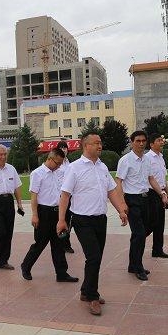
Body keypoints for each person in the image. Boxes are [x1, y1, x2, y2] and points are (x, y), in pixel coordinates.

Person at [57, 133, 128, 316]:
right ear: (85, 146)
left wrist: (121, 209)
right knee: (94, 257)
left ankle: (85, 291)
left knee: (96, 257)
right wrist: (61, 220)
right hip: (82, 220)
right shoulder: (74, 168)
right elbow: (65, 195)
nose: (100, 146)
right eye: (96, 143)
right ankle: (92, 296)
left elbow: (111, 191)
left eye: (100, 143)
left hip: (100, 219)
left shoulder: (103, 167)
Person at [116, 131, 168, 281]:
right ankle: (138, 267)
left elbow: (151, 179)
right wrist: (122, 203)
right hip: (132, 201)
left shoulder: (147, 160)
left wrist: (162, 193)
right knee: (139, 234)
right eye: (138, 141)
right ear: (132, 142)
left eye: (143, 140)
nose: (141, 143)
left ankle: (133, 264)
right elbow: (118, 181)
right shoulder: (125, 160)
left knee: (140, 233)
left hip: (146, 200)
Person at [21, 148, 79, 283]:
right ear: (49, 158)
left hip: (58, 212)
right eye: (57, 163)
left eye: (61, 163)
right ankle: (26, 266)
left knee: (59, 243)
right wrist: (35, 215)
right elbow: (34, 196)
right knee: (40, 243)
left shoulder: (61, 172)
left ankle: (62, 273)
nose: (59, 165)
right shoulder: (37, 173)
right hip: (43, 213)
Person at [145, 133, 168, 258]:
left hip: (161, 193)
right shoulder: (147, 158)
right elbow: (149, 178)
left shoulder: (161, 157)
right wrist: (161, 193)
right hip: (152, 193)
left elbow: (163, 177)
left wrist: (167, 192)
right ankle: (138, 238)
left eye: (162, 140)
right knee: (152, 222)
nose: (162, 142)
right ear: (151, 144)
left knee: (160, 223)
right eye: (158, 140)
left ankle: (157, 250)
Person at [55, 140, 75, 254]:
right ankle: (61, 243)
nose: (64, 150)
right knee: (61, 220)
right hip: (60, 196)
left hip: (70, 196)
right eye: (61, 148)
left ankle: (65, 242)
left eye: (65, 148)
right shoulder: (57, 163)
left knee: (68, 220)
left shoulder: (69, 163)